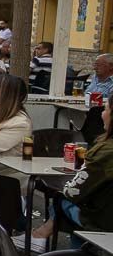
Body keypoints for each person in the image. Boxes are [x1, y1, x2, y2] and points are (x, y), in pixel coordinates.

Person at [34, 96, 112, 245]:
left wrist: (63, 190)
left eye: (106, 108)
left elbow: (73, 191)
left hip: (104, 222)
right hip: (105, 211)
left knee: (63, 199)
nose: (102, 113)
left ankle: (46, 236)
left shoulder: (104, 152)